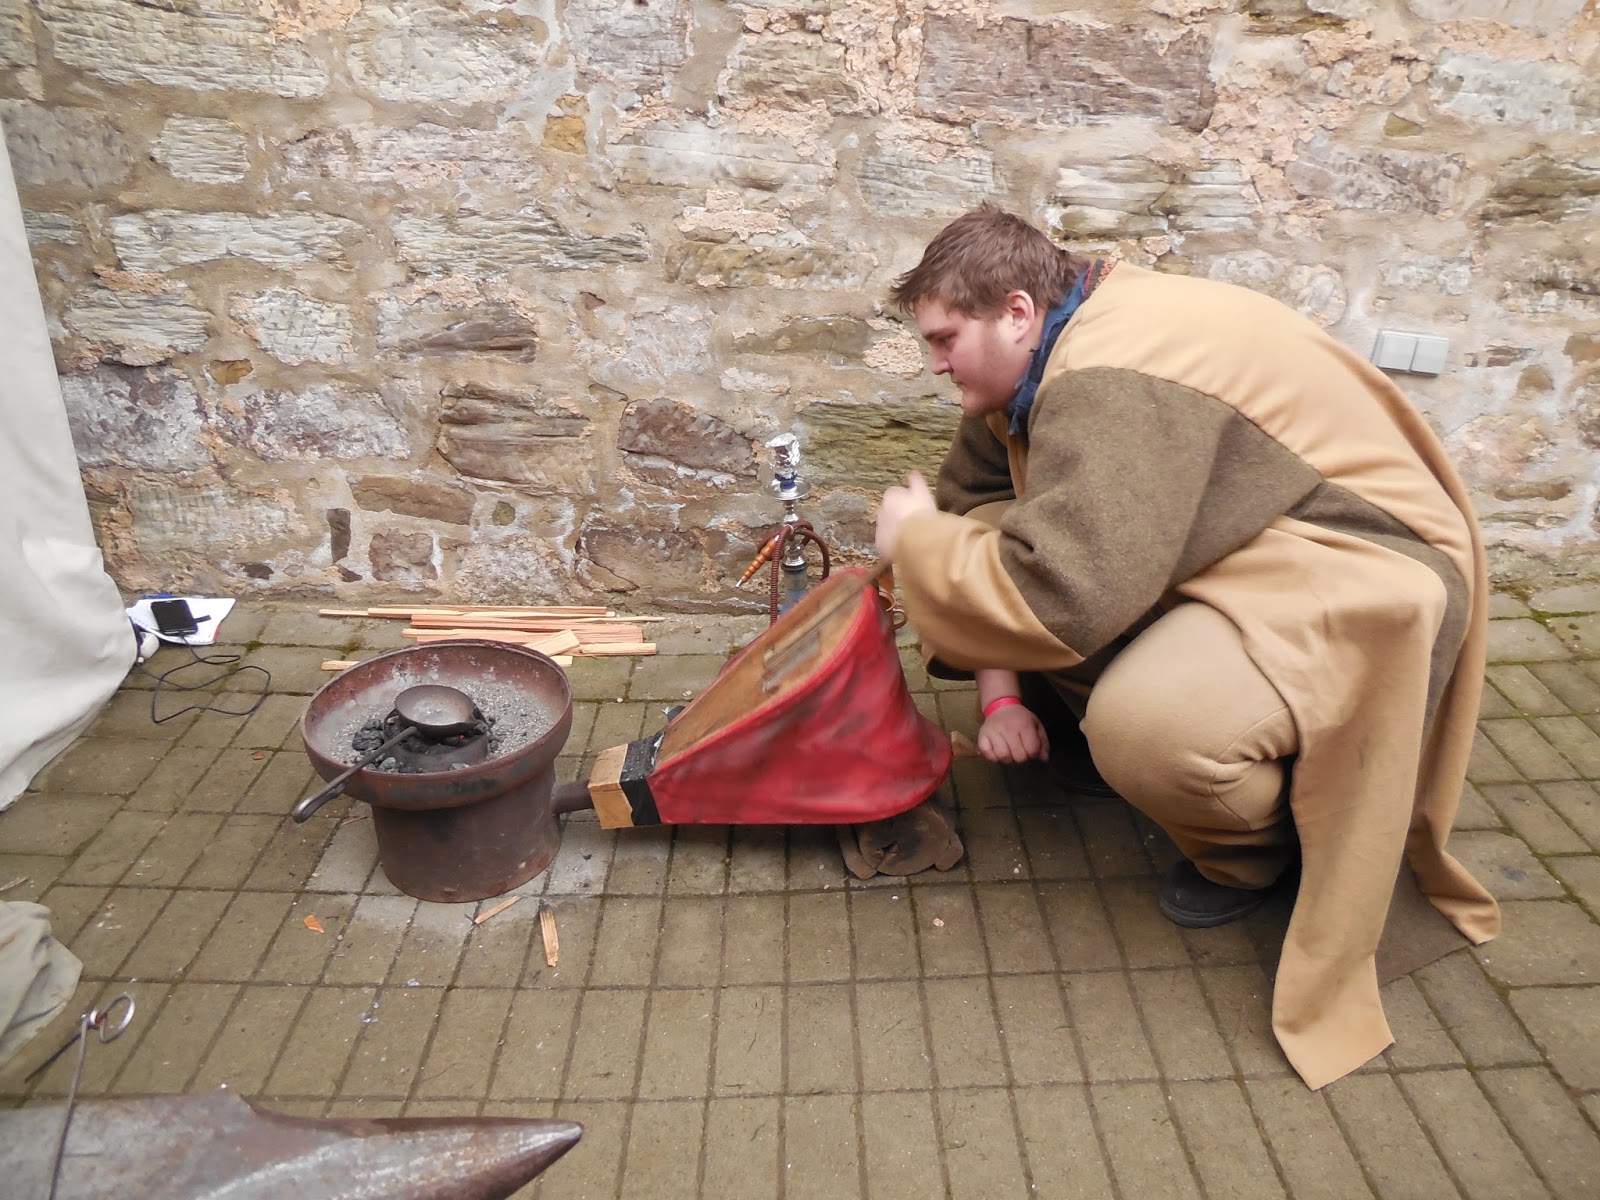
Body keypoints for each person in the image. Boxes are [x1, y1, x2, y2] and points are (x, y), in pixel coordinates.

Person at [872, 204, 1500, 1089]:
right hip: (1250, 537)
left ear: (1015, 312)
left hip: (1364, 567)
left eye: (945, 339)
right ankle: (1166, 751)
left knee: (1147, 728)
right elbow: (976, 506)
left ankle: (1255, 853)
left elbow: (1062, 594)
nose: (935, 362)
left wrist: (918, 545)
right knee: (1004, 547)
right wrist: (999, 688)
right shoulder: (1045, 351)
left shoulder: (1110, 372)